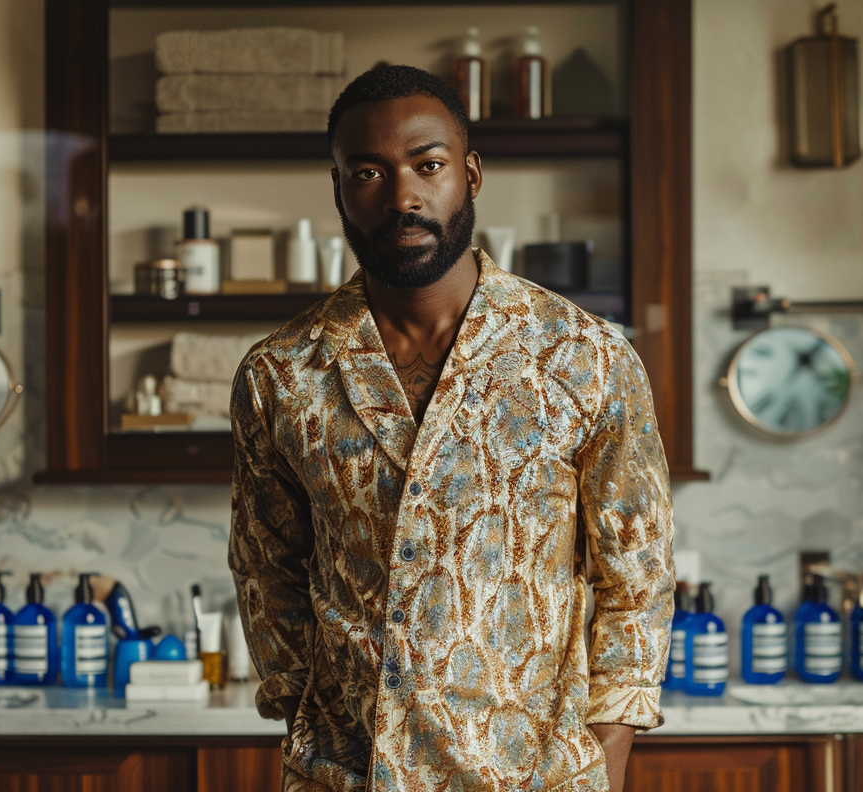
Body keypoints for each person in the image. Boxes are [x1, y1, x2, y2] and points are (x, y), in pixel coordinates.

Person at [229, 64, 675, 792]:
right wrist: (309, 722)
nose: (403, 196)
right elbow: (265, 568)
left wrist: (607, 756)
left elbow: (638, 577)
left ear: (469, 174)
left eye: (427, 165)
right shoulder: (282, 374)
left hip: (534, 779)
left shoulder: (583, 356)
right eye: (367, 171)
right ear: (339, 187)